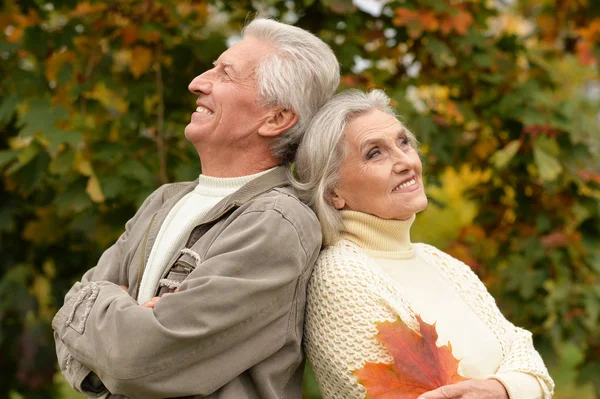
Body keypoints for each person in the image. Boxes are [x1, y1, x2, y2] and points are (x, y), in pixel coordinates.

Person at [52, 18, 339, 399]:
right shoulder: (164, 201)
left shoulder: (276, 224)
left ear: (276, 119)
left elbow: (137, 359)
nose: (198, 82)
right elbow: (67, 338)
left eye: (225, 74)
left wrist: (102, 318)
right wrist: (120, 331)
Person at [293, 89, 555, 399]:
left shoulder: (440, 263)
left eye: (403, 142)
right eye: (374, 153)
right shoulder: (342, 277)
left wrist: (500, 389)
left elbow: (529, 359)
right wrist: (518, 387)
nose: (404, 161)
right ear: (333, 191)